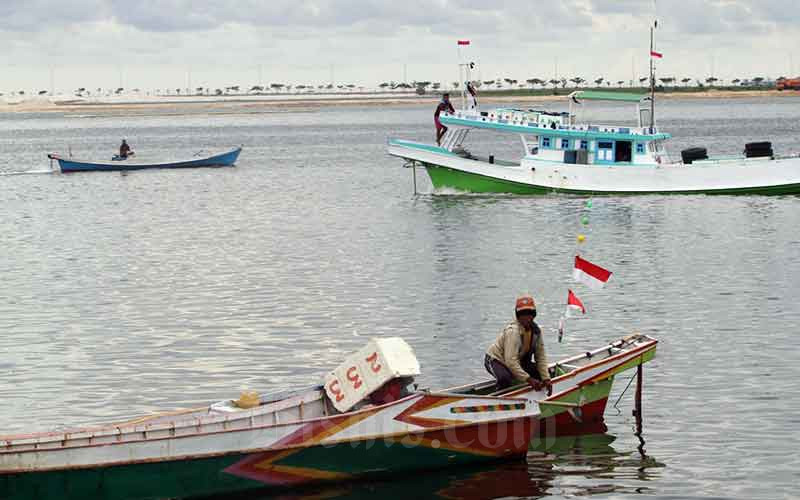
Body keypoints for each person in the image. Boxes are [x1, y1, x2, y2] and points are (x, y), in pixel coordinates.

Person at [485, 295, 553, 394]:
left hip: (517, 359)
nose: (526, 317)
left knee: (543, 373)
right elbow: (511, 362)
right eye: (522, 314)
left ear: (533, 315)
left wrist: (546, 378)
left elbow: (540, 356)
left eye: (529, 314)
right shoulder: (513, 332)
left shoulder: (536, 332)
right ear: (518, 316)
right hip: (496, 360)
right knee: (505, 379)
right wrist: (529, 379)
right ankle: (500, 395)